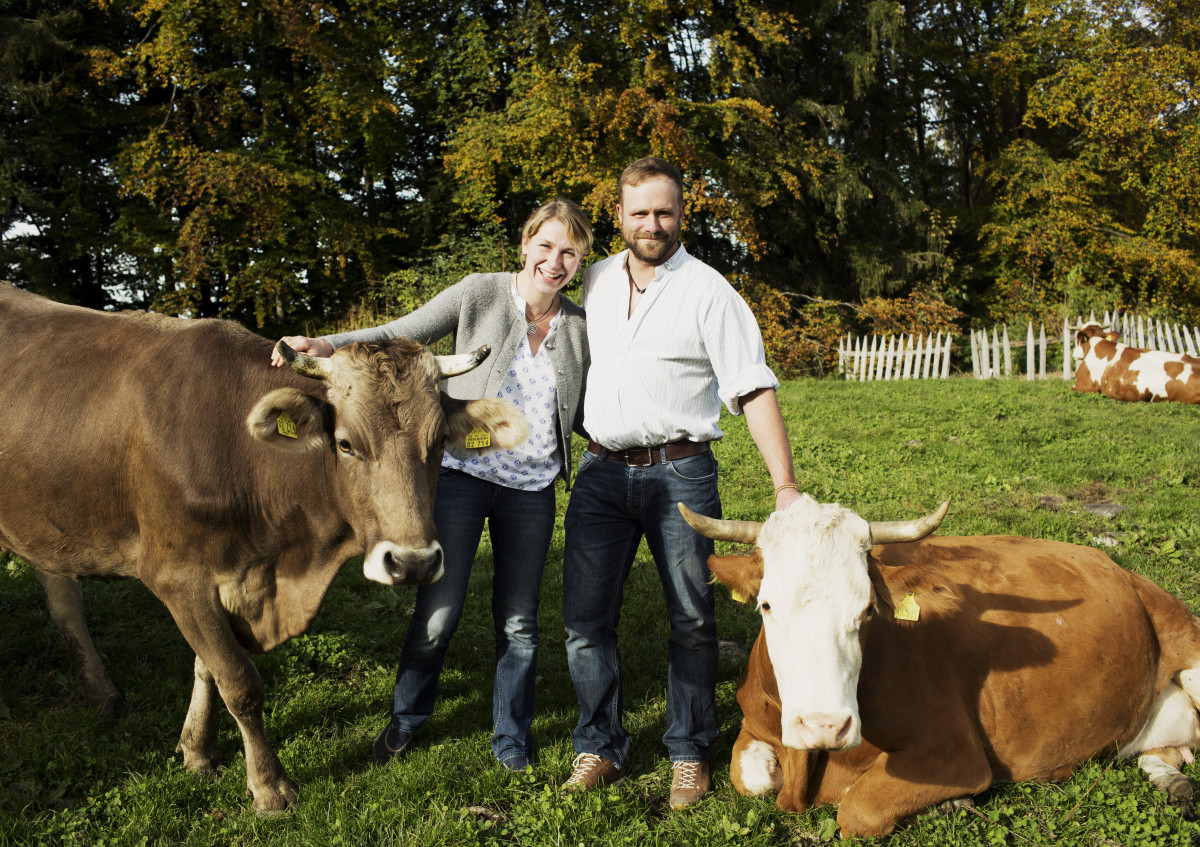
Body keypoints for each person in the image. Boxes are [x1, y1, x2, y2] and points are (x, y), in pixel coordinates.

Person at [271, 198, 593, 773]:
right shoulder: (480, 292)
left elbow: (586, 404)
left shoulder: (579, 326)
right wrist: (327, 344)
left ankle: (511, 736)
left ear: (580, 260)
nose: (555, 260)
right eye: (545, 246)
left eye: (569, 251)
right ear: (524, 246)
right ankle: (406, 718)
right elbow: (399, 330)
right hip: (464, 476)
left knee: (519, 621)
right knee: (439, 612)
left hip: (532, 490)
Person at [560, 158, 802, 809]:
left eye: (665, 211)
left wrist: (785, 485)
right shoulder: (600, 278)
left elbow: (752, 387)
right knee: (586, 620)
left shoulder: (708, 290)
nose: (652, 224)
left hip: (681, 473)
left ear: (682, 215)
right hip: (602, 473)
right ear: (619, 215)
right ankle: (599, 744)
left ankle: (689, 753)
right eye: (639, 212)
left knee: (692, 620)